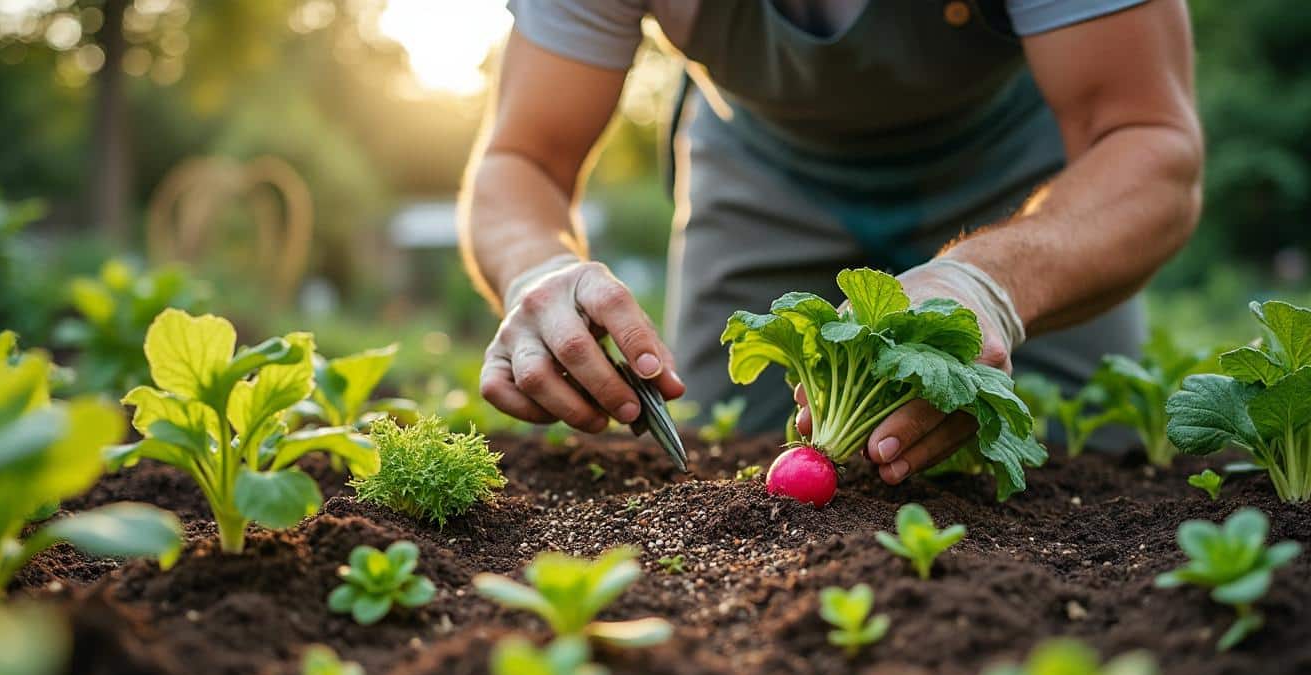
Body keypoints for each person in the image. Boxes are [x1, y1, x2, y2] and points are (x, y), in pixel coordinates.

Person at [461, 0, 1202, 486]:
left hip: (1018, 180)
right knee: (727, 461)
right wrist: (541, 267)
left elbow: (1149, 145)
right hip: (764, 177)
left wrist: (990, 285)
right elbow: (522, 161)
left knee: (1074, 466)